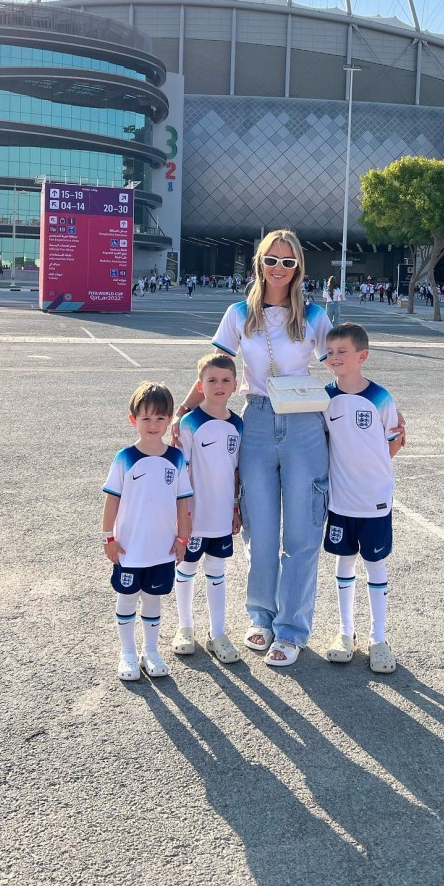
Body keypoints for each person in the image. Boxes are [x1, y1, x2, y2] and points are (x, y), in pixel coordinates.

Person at [173, 230, 332, 667]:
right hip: (258, 420)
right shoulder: (239, 313)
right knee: (259, 530)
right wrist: (183, 413)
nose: (279, 269)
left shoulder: (315, 316)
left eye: (288, 262)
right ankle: (261, 616)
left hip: (304, 423)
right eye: (271, 260)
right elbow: (215, 370)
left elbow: (339, 365)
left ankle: (292, 629)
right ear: (258, 264)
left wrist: (373, 408)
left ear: (299, 268)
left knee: (301, 534)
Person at [322, 323, 403, 674]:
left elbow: (394, 441)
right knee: (343, 565)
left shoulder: (381, 398)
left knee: (375, 566)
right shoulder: (323, 397)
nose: (334, 357)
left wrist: (374, 470)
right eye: (330, 352)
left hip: (374, 500)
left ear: (362, 356)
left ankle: (379, 637)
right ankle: (345, 633)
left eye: (343, 351)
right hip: (340, 502)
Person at [101, 382, 193, 682]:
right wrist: (109, 538)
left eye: (160, 418)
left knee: (153, 601)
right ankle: (127, 653)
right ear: (133, 420)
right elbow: (111, 500)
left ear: (169, 420)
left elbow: (183, 502)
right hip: (129, 548)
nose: (153, 425)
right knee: (127, 599)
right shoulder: (124, 458)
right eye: (146, 418)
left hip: (161, 549)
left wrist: (183, 539)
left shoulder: (176, 459)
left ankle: (150, 651)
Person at [173, 353, 243, 664]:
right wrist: (182, 515)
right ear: (200, 386)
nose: (219, 385)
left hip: (221, 513)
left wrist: (236, 507)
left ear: (235, 386)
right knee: (186, 569)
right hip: (194, 516)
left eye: (225, 380)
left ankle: (217, 633)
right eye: (211, 380)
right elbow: (178, 475)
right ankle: (184, 628)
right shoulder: (189, 424)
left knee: (217, 571)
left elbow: (236, 470)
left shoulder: (238, 424)